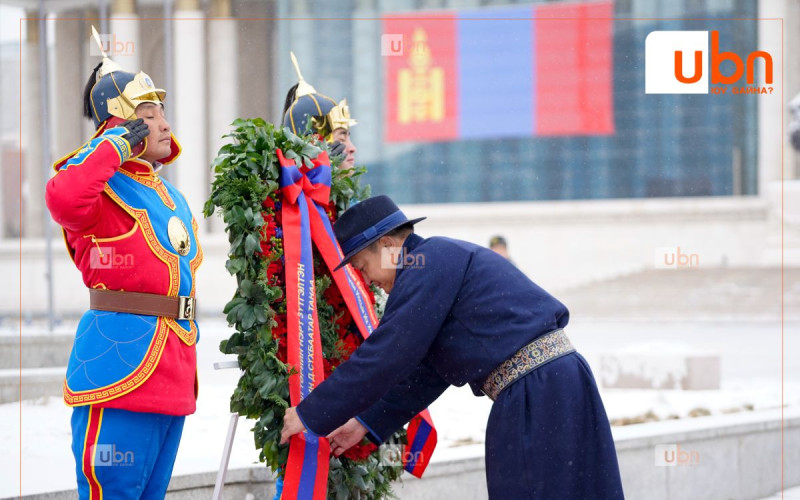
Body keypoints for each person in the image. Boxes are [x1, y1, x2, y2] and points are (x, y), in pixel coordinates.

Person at [281, 195, 625, 499]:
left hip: (537, 393)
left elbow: (387, 354)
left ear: (387, 246)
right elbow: (429, 372)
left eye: (362, 268)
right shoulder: (436, 263)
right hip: (555, 384)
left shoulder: (426, 263)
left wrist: (309, 413)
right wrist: (364, 422)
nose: (367, 281)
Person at [45, 32, 201, 499]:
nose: (162, 123)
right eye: (147, 115)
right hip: (120, 368)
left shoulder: (167, 193)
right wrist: (113, 146)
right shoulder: (96, 181)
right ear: (119, 126)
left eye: (162, 113)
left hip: (172, 370)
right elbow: (64, 198)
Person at [282, 52, 358, 170]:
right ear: (313, 146)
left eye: (348, 138)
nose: (353, 148)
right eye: (341, 140)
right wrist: (321, 171)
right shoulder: (285, 187)